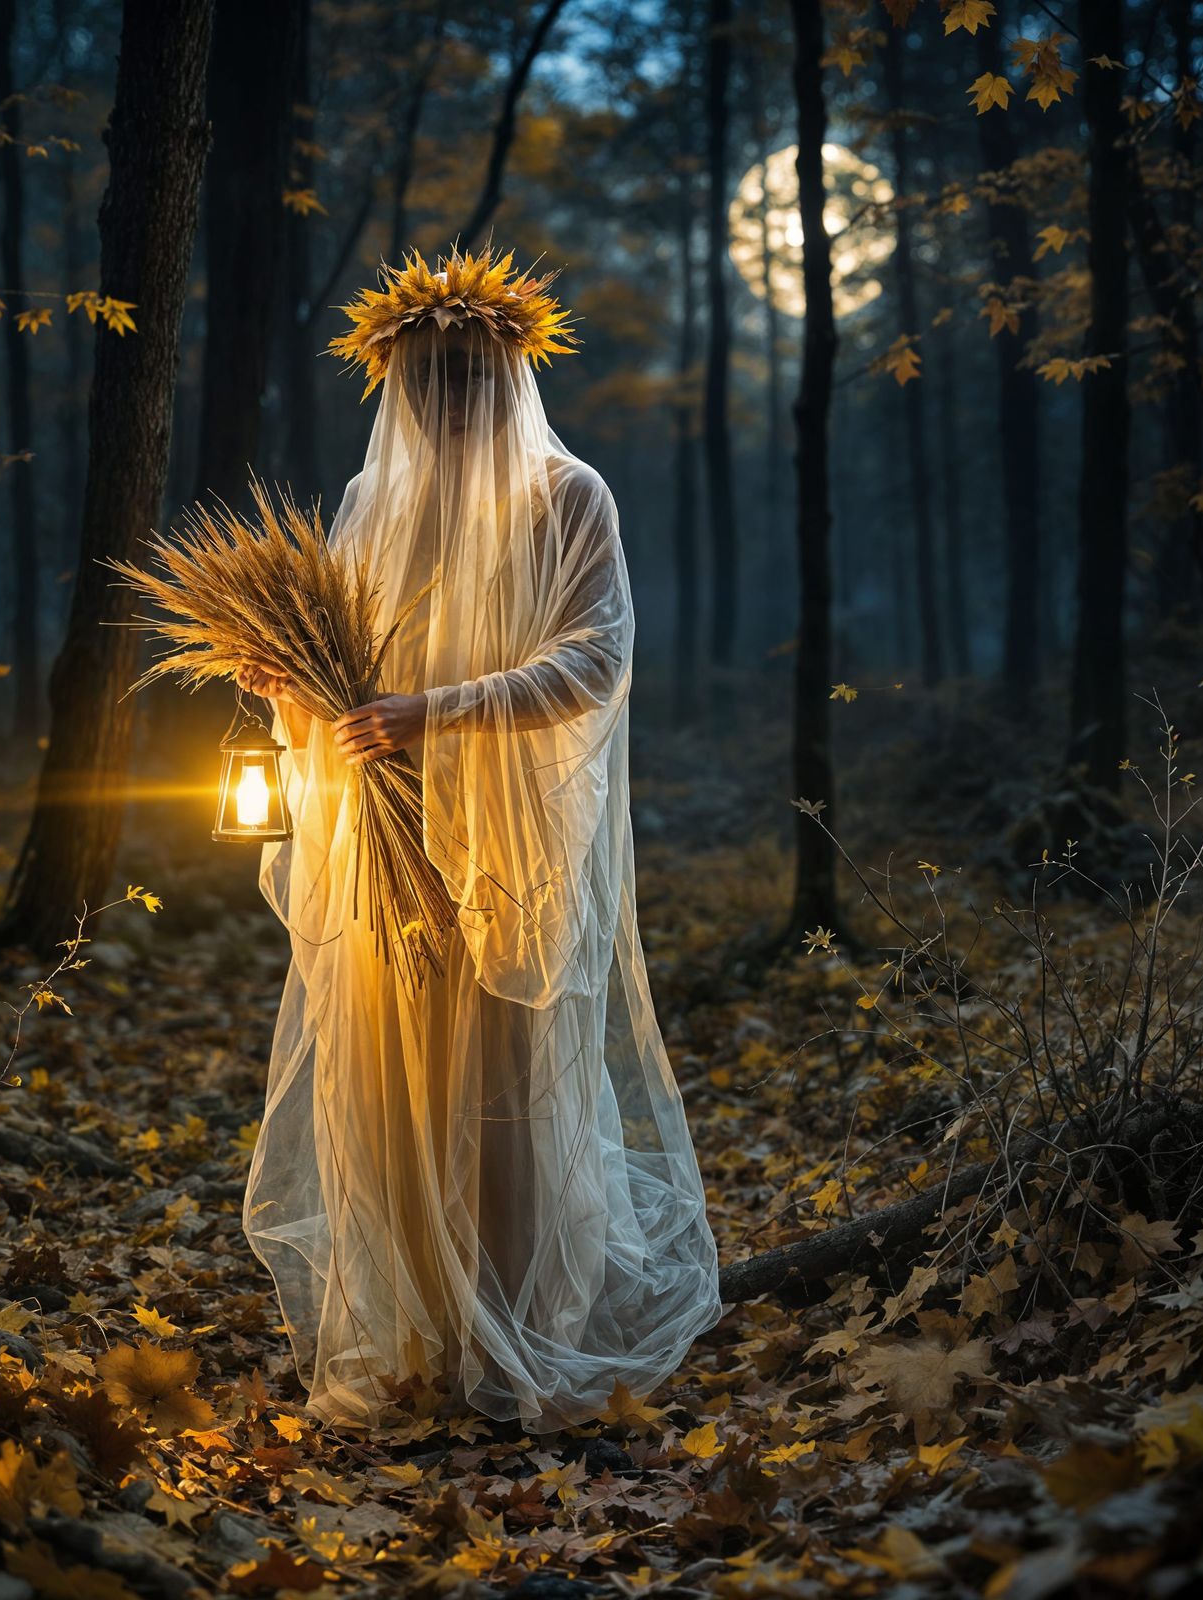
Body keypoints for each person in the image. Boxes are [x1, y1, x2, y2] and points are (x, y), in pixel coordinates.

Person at [234, 247, 721, 1432]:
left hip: (505, 850)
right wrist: (284, 685)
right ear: (397, 385)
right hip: (378, 846)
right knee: (391, 1086)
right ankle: (422, 1335)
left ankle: (510, 1344)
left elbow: (595, 662)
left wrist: (438, 715)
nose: (448, 399)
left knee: (500, 1095)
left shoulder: (569, 498)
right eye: (427, 376)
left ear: (509, 375)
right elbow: (346, 683)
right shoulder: (366, 507)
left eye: (468, 373)